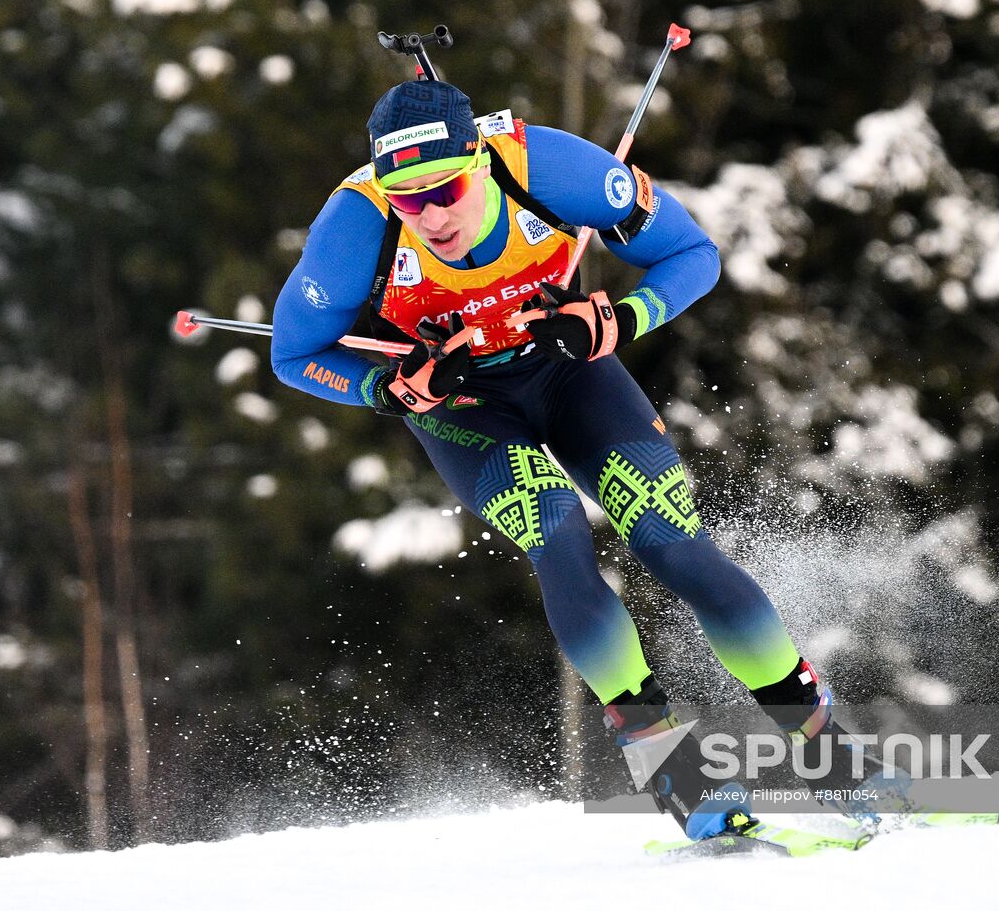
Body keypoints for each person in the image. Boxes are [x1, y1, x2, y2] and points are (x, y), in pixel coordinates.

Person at [271, 78, 838, 842]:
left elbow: (692, 253)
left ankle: (827, 753)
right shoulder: (353, 227)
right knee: (561, 537)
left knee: (673, 543)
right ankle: (672, 766)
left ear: (478, 158)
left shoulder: (546, 168)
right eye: (408, 200)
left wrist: (623, 318)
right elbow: (294, 354)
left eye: (443, 189)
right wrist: (391, 388)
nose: (431, 215)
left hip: (571, 371)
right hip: (465, 407)